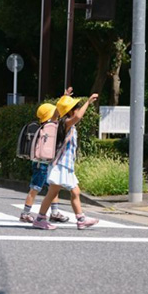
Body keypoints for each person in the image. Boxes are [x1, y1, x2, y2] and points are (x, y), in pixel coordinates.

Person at [33, 93, 100, 230]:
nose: (77, 109)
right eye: (75, 107)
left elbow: (58, 114)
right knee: (56, 193)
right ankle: (40, 219)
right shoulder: (64, 124)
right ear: (69, 111)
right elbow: (78, 117)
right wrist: (88, 102)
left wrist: (62, 100)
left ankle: (80, 219)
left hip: (65, 165)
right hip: (60, 165)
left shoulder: (62, 123)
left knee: (74, 192)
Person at [19, 103, 69, 224]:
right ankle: (25, 213)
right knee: (35, 188)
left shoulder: (46, 127)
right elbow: (56, 115)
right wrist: (62, 101)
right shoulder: (47, 127)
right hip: (41, 163)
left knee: (53, 187)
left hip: (46, 162)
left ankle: (54, 212)